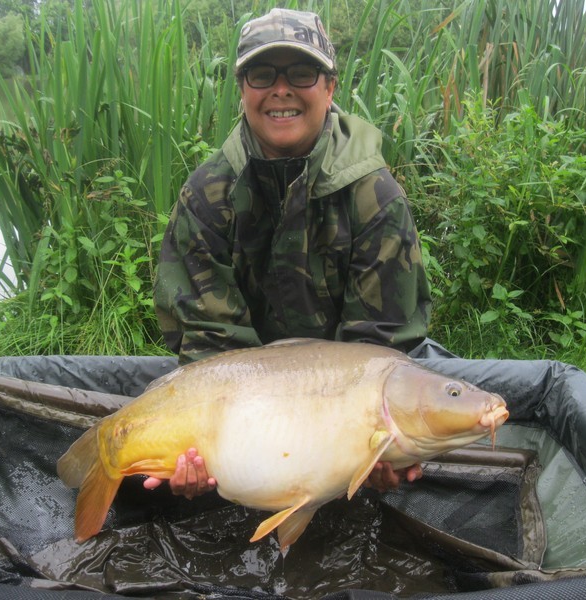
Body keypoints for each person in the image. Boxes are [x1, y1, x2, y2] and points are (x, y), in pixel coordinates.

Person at [148, 9, 432, 499]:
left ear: (330, 87)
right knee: (191, 460)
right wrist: (213, 453)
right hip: (243, 406)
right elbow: (212, 350)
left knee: (396, 435)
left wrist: (379, 448)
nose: (281, 90)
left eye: (301, 73)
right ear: (242, 89)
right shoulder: (207, 196)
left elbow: (380, 353)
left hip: (344, 402)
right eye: (262, 75)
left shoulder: (375, 197)